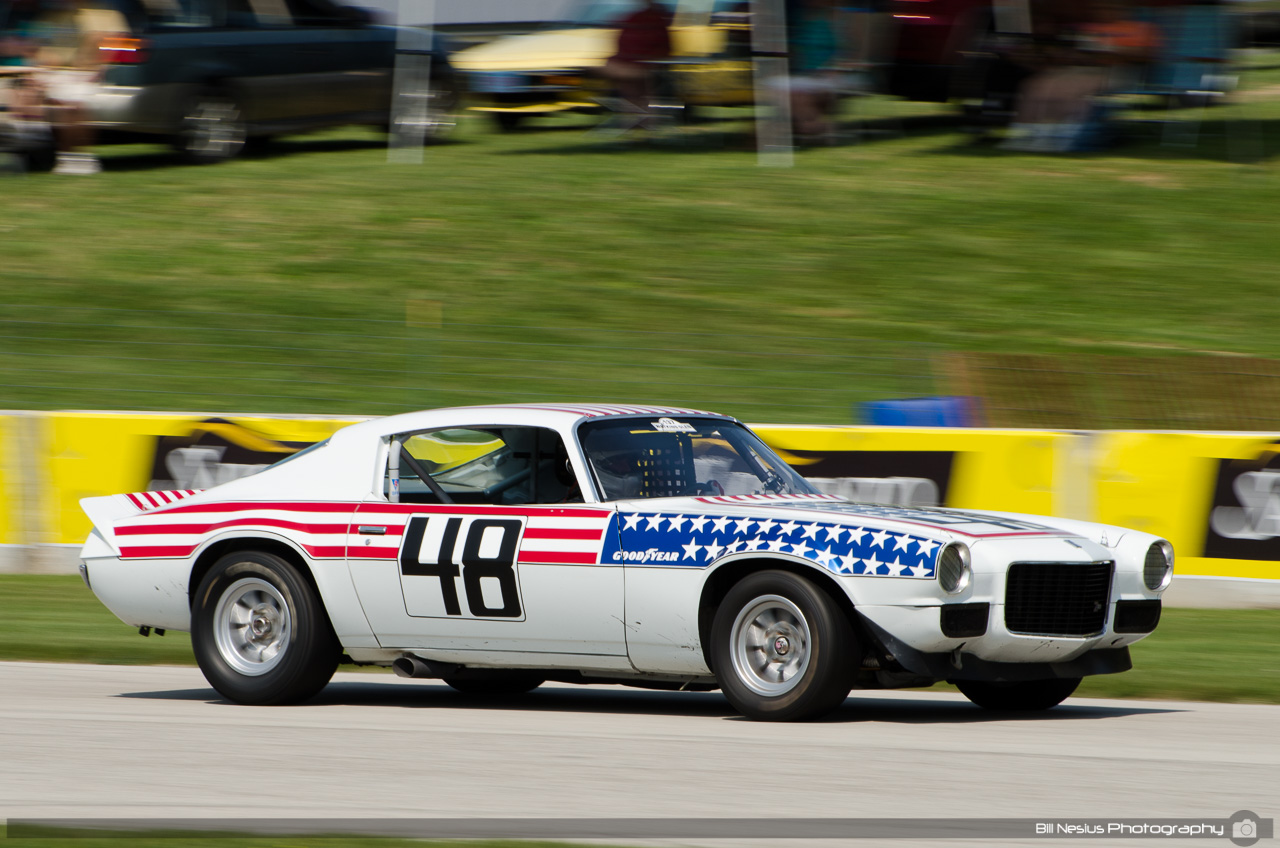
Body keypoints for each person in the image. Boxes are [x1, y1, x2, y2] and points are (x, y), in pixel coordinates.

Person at [1002, 0, 1161, 152]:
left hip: (1120, 71)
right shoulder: (1090, 29)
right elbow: (1073, 54)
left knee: (1073, 89)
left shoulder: (1140, 29)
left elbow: (1146, 56)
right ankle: (1029, 134)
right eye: (1099, 8)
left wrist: (1111, 48)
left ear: (1124, 9)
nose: (1103, 12)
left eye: (1109, 7)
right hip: (1084, 69)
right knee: (1039, 85)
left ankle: (1062, 136)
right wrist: (1071, 53)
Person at [599, 0, 673, 119]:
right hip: (632, 64)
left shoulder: (652, 20)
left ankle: (637, 119)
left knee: (634, 89)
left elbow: (661, 50)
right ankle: (637, 119)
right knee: (634, 90)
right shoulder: (643, 18)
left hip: (640, 66)